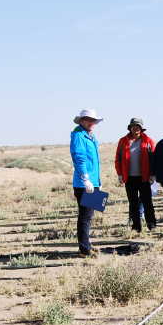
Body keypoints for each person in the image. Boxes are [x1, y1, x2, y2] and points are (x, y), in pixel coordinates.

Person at [70, 109, 103, 257]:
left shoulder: (91, 136)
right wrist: (85, 178)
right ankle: (84, 249)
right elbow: (79, 157)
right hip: (84, 184)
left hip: (93, 182)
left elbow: (95, 162)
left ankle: (86, 244)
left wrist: (98, 181)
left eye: (93, 120)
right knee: (85, 216)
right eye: (89, 120)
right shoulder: (78, 135)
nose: (92, 123)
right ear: (82, 120)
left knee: (89, 216)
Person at [115, 117, 157, 232]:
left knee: (147, 202)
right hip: (129, 178)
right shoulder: (123, 141)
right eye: (133, 126)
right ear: (130, 128)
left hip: (144, 178)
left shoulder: (148, 141)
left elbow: (154, 159)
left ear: (141, 128)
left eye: (138, 126)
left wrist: (153, 175)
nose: (136, 128)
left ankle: (151, 225)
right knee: (133, 203)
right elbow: (118, 159)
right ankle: (136, 226)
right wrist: (119, 174)